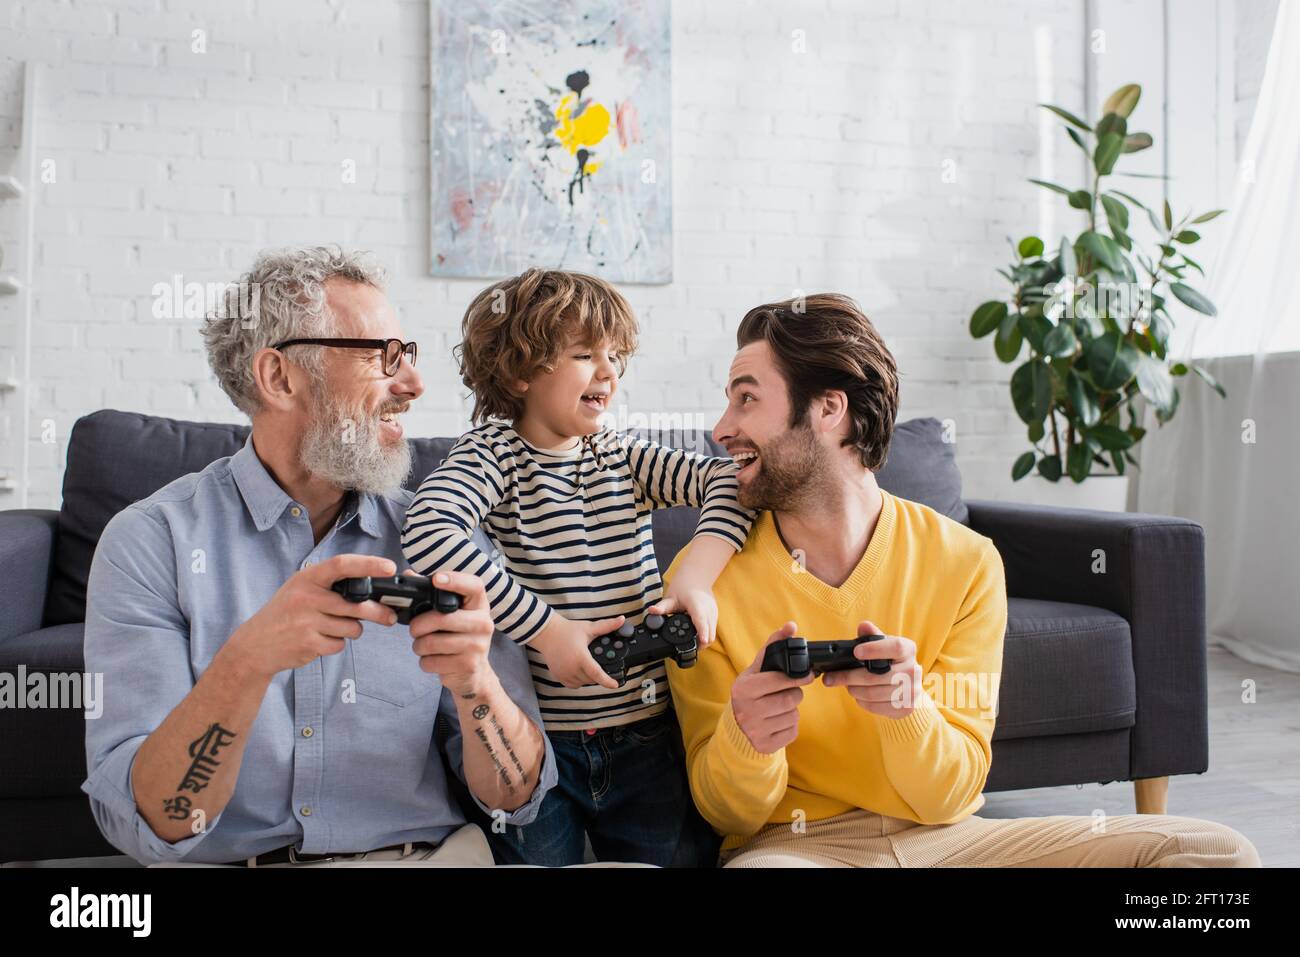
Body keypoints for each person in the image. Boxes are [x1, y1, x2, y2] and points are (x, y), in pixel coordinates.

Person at [665, 293, 1261, 868]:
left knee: (1214, 854)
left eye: (746, 400)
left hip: (949, 843)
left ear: (828, 409)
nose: (722, 428)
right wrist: (748, 738)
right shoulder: (702, 584)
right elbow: (729, 816)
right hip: (795, 851)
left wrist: (910, 714)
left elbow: (951, 793)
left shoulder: (966, 561)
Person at [82, 246, 555, 867]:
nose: (413, 385)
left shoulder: (442, 536)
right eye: (383, 358)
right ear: (279, 378)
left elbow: (515, 801)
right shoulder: (151, 542)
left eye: (407, 358)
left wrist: (477, 685)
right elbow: (154, 821)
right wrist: (247, 662)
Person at [401, 268, 752, 866]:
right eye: (585, 354)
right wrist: (549, 631)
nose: (608, 371)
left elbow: (733, 481)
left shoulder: (621, 455)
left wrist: (694, 579)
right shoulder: (493, 456)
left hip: (649, 731)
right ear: (520, 371)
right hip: (542, 753)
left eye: (614, 356)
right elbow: (429, 531)